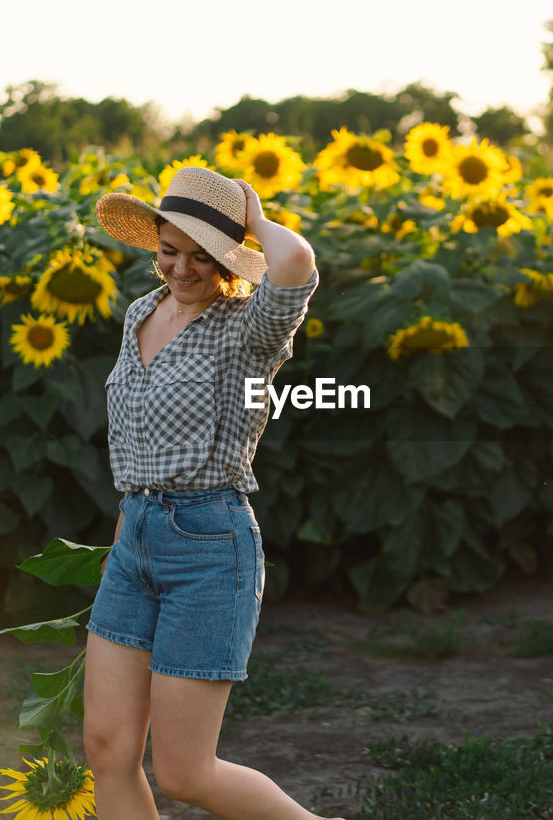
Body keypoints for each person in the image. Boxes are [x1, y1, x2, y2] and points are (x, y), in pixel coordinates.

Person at [84, 166, 340, 820]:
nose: (180, 269)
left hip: (208, 545)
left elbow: (296, 260)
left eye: (203, 255)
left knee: (184, 771)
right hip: (134, 539)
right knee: (107, 747)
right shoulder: (142, 312)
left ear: (229, 258)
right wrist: (124, 538)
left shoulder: (247, 333)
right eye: (170, 249)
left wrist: (251, 218)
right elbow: (136, 443)